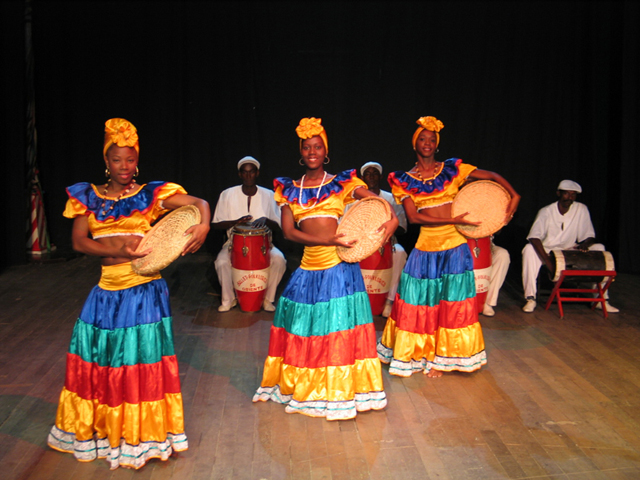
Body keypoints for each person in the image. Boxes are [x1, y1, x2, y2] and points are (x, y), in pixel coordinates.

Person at [47, 118, 211, 469]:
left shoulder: (149, 194)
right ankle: (107, 431)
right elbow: (79, 242)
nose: (124, 166)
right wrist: (118, 251)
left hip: (143, 290)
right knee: (105, 362)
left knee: (139, 363)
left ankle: (142, 436)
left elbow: (198, 202)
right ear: (106, 161)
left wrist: (204, 224)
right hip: (107, 291)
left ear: (137, 161)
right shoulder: (88, 197)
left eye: (130, 159)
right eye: (117, 159)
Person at [253, 117, 398, 420]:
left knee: (337, 331)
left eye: (317, 147)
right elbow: (290, 233)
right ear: (301, 152)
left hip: (339, 269)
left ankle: (339, 389)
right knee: (308, 331)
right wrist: (326, 239)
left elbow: (378, 204)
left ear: (325, 151)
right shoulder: (289, 189)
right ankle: (311, 386)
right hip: (309, 268)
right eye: (307, 147)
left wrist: (392, 218)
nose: (312, 152)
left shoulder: (340, 183)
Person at [377, 116, 520, 378]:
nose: (427, 143)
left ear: (437, 145)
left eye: (432, 140)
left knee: (451, 304)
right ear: (415, 144)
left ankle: (443, 358)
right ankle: (422, 353)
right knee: (422, 303)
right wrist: (455, 219)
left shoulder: (452, 169)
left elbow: (491, 176)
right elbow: (414, 218)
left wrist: (514, 194)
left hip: (454, 246)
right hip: (426, 248)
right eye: (422, 139)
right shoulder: (404, 179)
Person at [521, 179, 619, 313]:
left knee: (599, 248)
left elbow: (589, 235)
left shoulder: (581, 209)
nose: (569, 197)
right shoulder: (546, 211)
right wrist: (547, 261)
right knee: (528, 250)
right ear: (558, 193)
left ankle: (600, 299)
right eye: (566, 193)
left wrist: (585, 244)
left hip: (570, 249)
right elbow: (534, 237)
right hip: (549, 249)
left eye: (573, 194)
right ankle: (530, 298)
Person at [211, 156, 286, 312]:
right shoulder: (227, 194)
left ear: (257, 173)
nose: (248, 175)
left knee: (279, 260)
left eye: (251, 172)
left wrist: (266, 220)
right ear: (240, 174)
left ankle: (267, 299)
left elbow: (279, 225)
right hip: (233, 242)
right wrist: (235, 222)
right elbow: (216, 224)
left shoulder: (269, 195)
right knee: (221, 262)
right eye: (244, 172)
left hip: (264, 244)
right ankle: (228, 299)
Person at [358, 161, 408, 317]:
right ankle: (356, 301)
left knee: (400, 253)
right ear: (362, 178)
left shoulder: (390, 198)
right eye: (368, 174)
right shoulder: (354, 199)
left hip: (387, 242)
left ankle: (389, 301)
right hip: (360, 245)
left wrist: (385, 226)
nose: (371, 177)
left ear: (380, 177)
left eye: (375, 173)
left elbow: (402, 226)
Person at [481, 236, 511, 317]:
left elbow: (498, 232)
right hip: (461, 244)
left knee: (502, 254)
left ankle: (487, 302)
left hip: (486, 244)